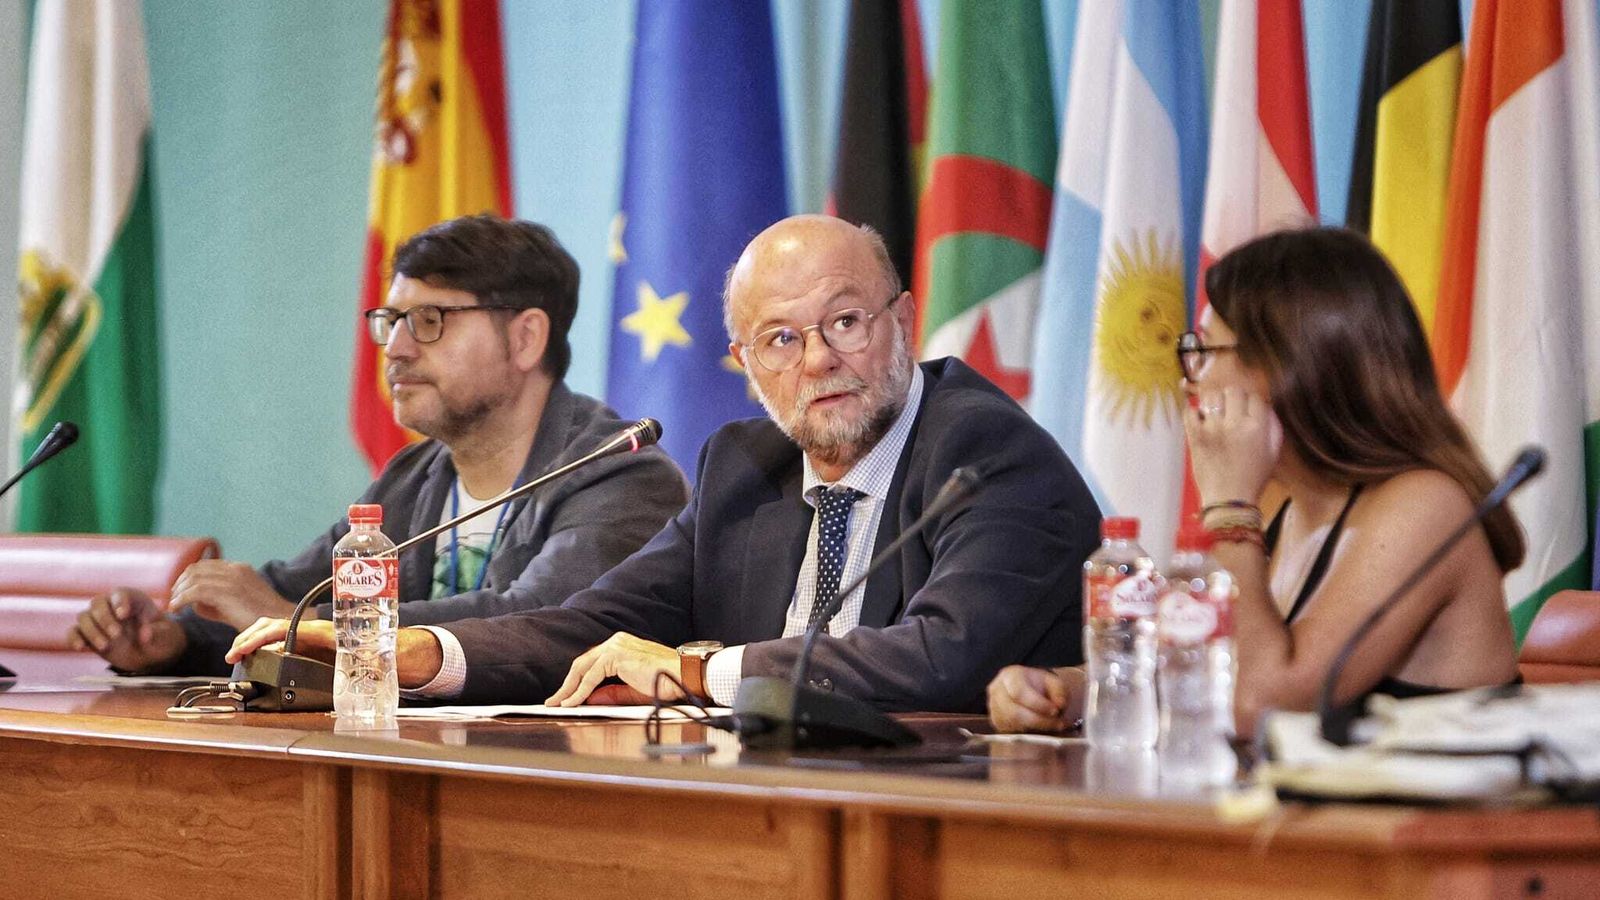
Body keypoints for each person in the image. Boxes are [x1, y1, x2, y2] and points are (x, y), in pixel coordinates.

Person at [228, 214, 1102, 711]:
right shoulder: (745, 466)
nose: (818, 362)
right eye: (780, 339)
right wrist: (413, 649)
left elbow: (941, 658)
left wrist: (695, 671)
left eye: (845, 323)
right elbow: (590, 624)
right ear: (746, 364)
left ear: (903, 322)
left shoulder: (984, 451)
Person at [68, 215, 689, 676]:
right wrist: (173, 640)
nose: (395, 349)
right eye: (390, 322)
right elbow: (300, 588)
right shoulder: (413, 477)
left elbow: (543, 618)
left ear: (526, 338)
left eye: (429, 321)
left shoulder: (618, 472)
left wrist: (302, 625)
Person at [988, 227, 1524, 737]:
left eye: (1205, 351)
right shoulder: (1285, 503)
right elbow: (1186, 664)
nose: (1189, 379)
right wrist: (1064, 691)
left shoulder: (1425, 506)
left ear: (1286, 368)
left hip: (1427, 804)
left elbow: (1257, 704)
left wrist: (1228, 506)